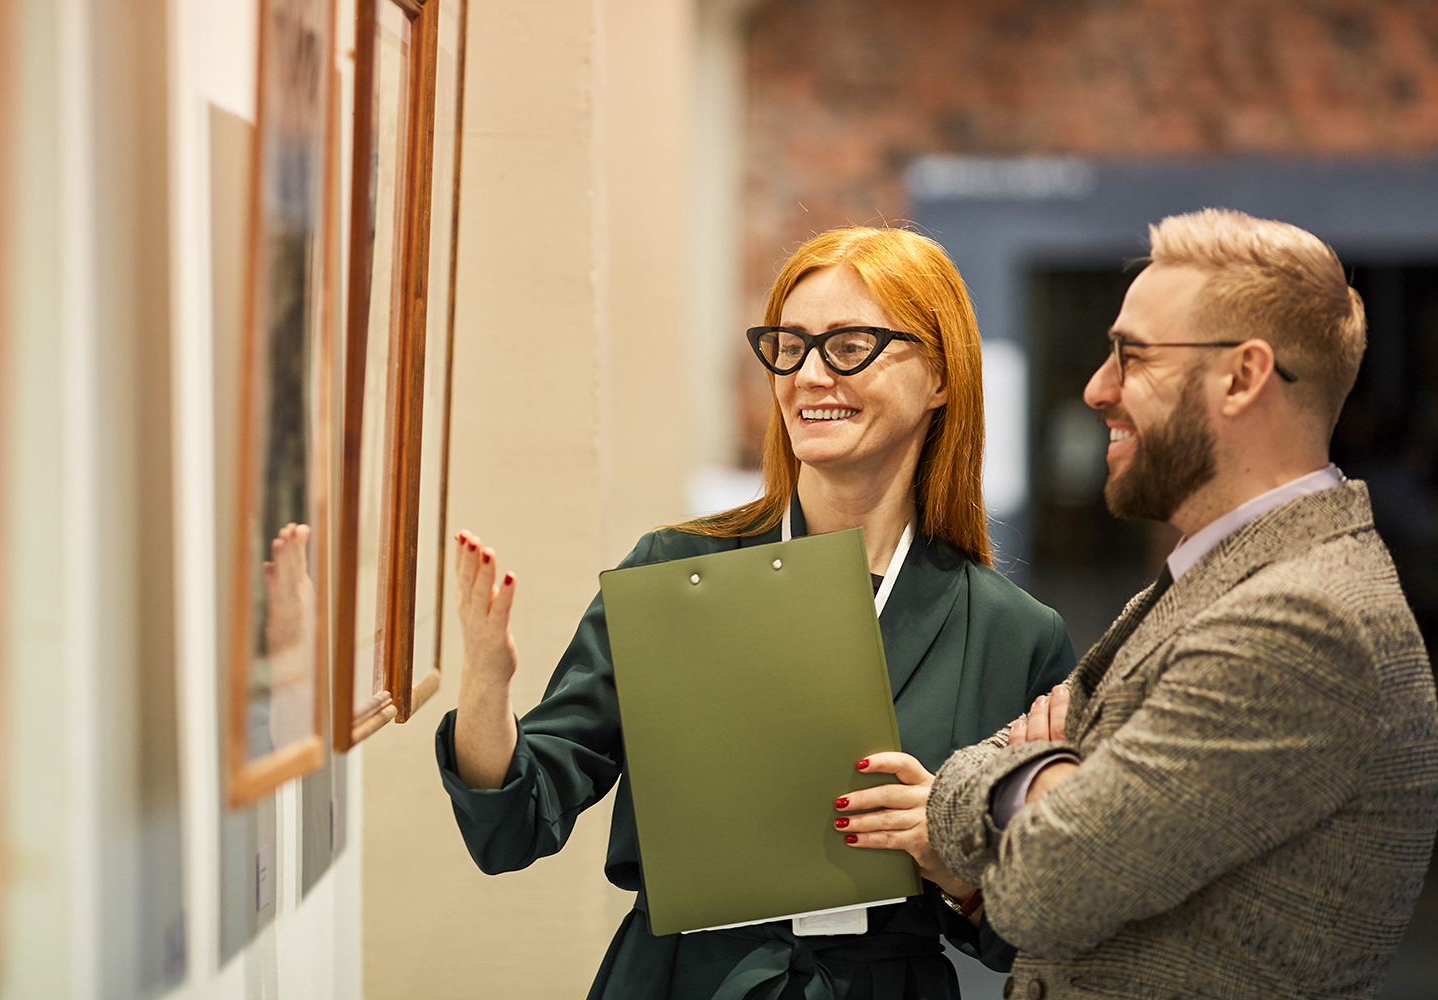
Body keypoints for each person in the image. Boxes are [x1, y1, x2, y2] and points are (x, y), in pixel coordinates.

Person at [437, 226, 1075, 999]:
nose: (809, 375)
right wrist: (487, 685)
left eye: (848, 346)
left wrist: (947, 855)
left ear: (939, 373)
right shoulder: (673, 573)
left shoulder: (1015, 634)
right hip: (683, 982)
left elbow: (1035, 931)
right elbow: (514, 825)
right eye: (789, 345)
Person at [925, 209, 1438, 999]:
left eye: (1132, 356)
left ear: (1242, 376)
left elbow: (1040, 888)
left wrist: (1020, 772)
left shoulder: (1300, 621)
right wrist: (1059, 782)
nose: (1098, 389)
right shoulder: (1221, 580)